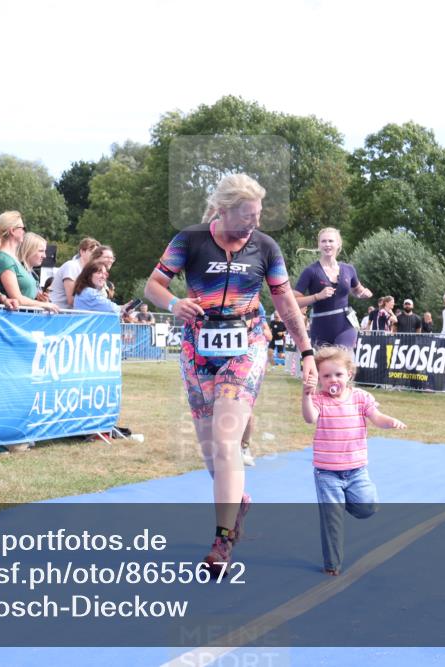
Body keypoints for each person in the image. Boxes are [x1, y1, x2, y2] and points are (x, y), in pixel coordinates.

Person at [144, 173, 316, 575]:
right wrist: (173, 305)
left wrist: (306, 350)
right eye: (246, 217)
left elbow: (286, 302)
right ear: (222, 211)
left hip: (248, 342)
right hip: (198, 346)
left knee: (225, 439)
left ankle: (222, 542)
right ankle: (236, 501)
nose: (253, 224)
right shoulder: (190, 239)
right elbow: (155, 285)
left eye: (258, 216)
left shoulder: (265, 248)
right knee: (212, 453)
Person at [301, 345, 406, 576]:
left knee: (368, 506)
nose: (332, 380)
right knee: (332, 521)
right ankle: (332, 565)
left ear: (349, 374)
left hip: (357, 470)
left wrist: (390, 422)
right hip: (327, 473)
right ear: (319, 379)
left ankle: (343, 502)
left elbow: (376, 417)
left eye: (338, 374)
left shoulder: (360, 397)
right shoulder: (319, 399)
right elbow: (310, 418)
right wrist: (306, 395)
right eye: (326, 376)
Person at [293, 228, 372, 348]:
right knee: (325, 366)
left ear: (338, 243)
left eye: (331, 241)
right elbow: (294, 301)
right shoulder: (311, 271)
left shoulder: (348, 269)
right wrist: (317, 296)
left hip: (346, 326)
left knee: (340, 360)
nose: (327, 244)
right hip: (321, 329)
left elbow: (357, 290)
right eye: (323, 241)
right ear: (318, 244)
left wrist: (364, 293)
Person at [0, 212, 58, 312]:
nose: (24, 232)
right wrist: (43, 305)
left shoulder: (11, 259)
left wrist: (37, 298)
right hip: (14, 321)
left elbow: (23, 295)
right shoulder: (3, 260)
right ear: (12, 231)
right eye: (23, 228)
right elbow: (17, 299)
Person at [52, 237, 99, 310]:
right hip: (57, 314)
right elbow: (72, 300)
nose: (95, 257)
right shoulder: (71, 266)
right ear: (82, 251)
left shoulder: (89, 272)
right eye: (92, 252)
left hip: (68, 315)